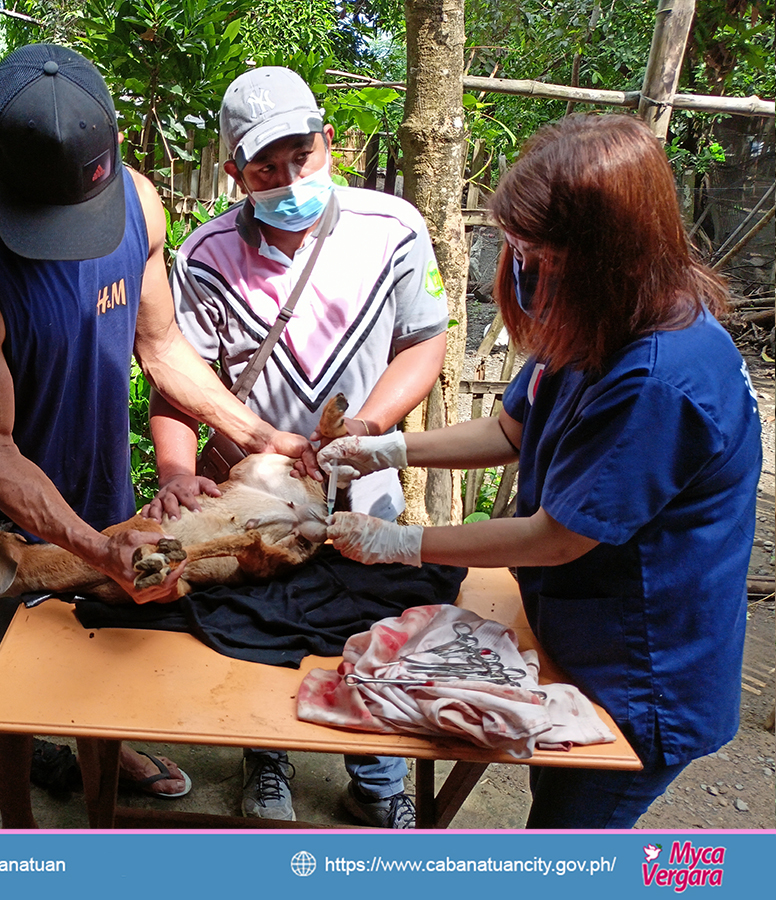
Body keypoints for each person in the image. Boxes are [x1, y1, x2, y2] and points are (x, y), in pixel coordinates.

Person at [319, 113, 762, 829]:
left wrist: (398, 542)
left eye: (536, 250)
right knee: (551, 802)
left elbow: (554, 538)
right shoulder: (598, 322)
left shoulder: (661, 376)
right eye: (517, 246)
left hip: (644, 671)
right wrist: (384, 444)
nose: (521, 264)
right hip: (577, 634)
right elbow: (509, 429)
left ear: (603, 252)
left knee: (569, 839)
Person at [0, 44, 308, 828]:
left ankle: (102, 811)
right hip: (7, 513)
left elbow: (161, 348)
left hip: (102, 483)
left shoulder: (139, 203)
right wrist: (94, 550)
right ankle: (18, 830)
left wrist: (259, 433)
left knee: (107, 656)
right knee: (13, 681)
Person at [143, 67, 449, 827]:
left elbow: (425, 343)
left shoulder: (396, 228)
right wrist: (179, 471)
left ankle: (376, 779)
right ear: (233, 174)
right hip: (251, 498)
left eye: (302, 157)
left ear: (330, 143)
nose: (288, 179)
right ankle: (266, 760)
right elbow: (178, 380)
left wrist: (373, 426)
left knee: (367, 630)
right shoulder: (208, 255)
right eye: (264, 168)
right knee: (262, 621)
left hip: (364, 489)